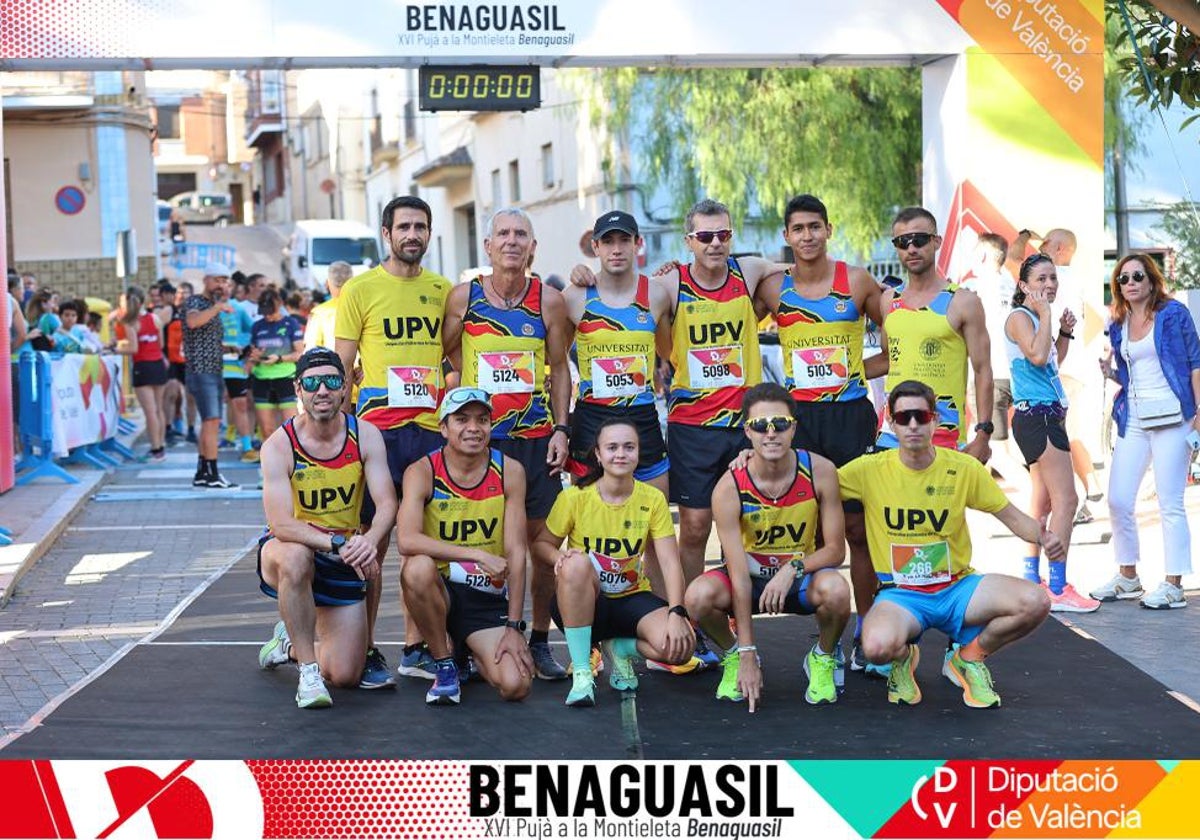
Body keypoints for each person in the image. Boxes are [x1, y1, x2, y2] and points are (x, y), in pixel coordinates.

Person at [568, 199, 785, 673]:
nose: (714, 243)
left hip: (742, 425)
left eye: (722, 235)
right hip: (690, 426)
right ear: (688, 242)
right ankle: (665, 626)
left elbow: (794, 265)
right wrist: (580, 273)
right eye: (704, 236)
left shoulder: (749, 273)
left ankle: (708, 620)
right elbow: (610, 291)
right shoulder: (668, 284)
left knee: (744, 528)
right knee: (690, 528)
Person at [840, 379, 1062, 709]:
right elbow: (813, 480)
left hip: (957, 588)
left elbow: (1012, 517)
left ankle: (969, 659)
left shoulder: (963, 469)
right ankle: (903, 658)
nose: (912, 425)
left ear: (935, 420)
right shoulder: (868, 470)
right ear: (890, 422)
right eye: (903, 418)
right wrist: (751, 459)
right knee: (874, 648)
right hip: (901, 594)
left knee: (1035, 601)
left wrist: (1044, 537)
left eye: (921, 416)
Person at [755, 194, 885, 677]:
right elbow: (729, 328)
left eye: (815, 227)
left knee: (857, 530)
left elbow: (900, 342)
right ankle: (822, 635)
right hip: (799, 420)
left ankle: (868, 629)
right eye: (798, 229)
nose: (807, 236)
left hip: (850, 416)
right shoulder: (773, 288)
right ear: (786, 236)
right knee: (807, 527)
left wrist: (853, 370)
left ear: (829, 229)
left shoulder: (857, 281)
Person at [860, 207, 994, 675]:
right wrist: (840, 372)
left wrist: (985, 431)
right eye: (901, 242)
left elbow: (983, 369)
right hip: (890, 433)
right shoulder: (888, 302)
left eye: (919, 239)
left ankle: (956, 638)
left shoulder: (963, 302)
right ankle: (898, 631)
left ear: (936, 242)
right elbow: (886, 359)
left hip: (945, 434)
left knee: (942, 527)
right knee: (886, 528)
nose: (910, 248)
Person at [442, 208, 573, 681]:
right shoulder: (465, 298)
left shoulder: (549, 301)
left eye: (521, 235)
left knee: (539, 541)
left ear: (533, 247)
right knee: (479, 538)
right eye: (504, 234)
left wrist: (561, 428)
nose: (512, 242)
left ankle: (537, 638)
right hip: (483, 442)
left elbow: (559, 368)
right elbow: (448, 353)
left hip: (536, 439)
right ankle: (462, 639)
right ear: (488, 245)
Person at [335, 195, 452, 686]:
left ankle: (413, 648)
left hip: (428, 434)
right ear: (386, 234)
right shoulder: (360, 290)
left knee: (420, 549)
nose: (412, 235)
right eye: (403, 226)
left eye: (420, 227)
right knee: (371, 548)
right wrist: (342, 431)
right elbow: (341, 366)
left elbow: (450, 350)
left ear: (429, 233)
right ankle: (364, 651)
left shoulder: (444, 290)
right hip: (377, 434)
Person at [684, 382, 850, 709]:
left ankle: (823, 656)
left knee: (838, 591)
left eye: (780, 425)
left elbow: (835, 550)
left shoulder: (821, 471)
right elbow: (738, 575)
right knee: (697, 596)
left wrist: (793, 568)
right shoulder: (729, 487)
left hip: (798, 579)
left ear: (794, 428)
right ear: (747, 431)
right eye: (761, 426)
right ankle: (732, 655)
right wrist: (747, 653)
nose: (770, 433)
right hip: (751, 580)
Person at [256, 347, 397, 708]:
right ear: (298, 389)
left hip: (342, 554)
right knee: (296, 557)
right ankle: (307, 673)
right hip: (290, 548)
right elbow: (281, 523)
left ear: (346, 387)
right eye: (312, 383)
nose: (322, 390)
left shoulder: (365, 435)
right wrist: (335, 542)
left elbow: (386, 503)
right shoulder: (279, 445)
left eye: (332, 381)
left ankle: (288, 641)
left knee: (347, 674)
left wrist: (369, 540)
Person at [532, 417, 694, 707]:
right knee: (577, 563)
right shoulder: (575, 498)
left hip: (631, 598)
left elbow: (670, 562)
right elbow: (541, 546)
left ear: (638, 452)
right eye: (612, 447)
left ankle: (620, 648)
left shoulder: (653, 499)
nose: (621, 454)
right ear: (598, 454)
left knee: (681, 648)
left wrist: (677, 611)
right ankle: (582, 671)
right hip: (584, 601)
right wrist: (560, 558)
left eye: (629, 447)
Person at [395, 386, 535, 705]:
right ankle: (445, 666)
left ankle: (466, 654)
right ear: (443, 428)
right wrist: (474, 553)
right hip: (440, 591)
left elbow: (516, 551)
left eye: (482, 420)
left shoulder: (510, 471)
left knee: (516, 686)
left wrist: (514, 626)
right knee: (416, 567)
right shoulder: (422, 471)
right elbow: (406, 540)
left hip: (484, 598)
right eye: (461, 419)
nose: (473, 428)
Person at [1093, 255, 1200, 610]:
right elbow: (1130, 373)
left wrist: (1199, 414)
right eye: (1123, 278)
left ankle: (1174, 584)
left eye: (1138, 275)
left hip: (1173, 415)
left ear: (1152, 280)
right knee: (1119, 498)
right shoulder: (1118, 322)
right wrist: (1109, 372)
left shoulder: (1173, 314)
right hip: (1134, 417)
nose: (1131, 282)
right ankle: (1128, 577)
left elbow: (1196, 362)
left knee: (1170, 503)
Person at [1004, 255, 1098, 612]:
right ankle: (1058, 587)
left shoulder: (1034, 317)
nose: (1050, 285)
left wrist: (1064, 332)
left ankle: (1033, 578)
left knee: (1041, 502)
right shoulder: (1019, 317)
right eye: (1041, 278)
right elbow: (1038, 356)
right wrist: (1045, 316)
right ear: (1024, 285)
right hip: (1038, 417)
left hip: (1045, 415)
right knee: (1067, 500)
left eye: (1053, 278)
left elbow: (1052, 358)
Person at [183, 262, 238, 488]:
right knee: (212, 421)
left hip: (214, 370)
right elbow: (193, 321)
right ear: (206, 280)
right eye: (217, 280)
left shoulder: (211, 306)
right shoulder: (196, 302)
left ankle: (203, 471)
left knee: (210, 422)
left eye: (225, 281)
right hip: (201, 370)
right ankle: (212, 473)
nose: (221, 285)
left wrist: (230, 349)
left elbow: (204, 338)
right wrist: (218, 307)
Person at [114, 287, 169, 462]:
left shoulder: (130, 322)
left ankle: (155, 449)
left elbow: (133, 348)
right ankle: (160, 447)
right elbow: (160, 344)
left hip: (143, 366)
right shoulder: (155, 318)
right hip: (158, 364)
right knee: (159, 409)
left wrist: (116, 348)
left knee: (150, 411)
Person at [249, 286, 305, 445]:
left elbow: (300, 353)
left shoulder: (291, 323)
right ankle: (270, 464)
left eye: (271, 312)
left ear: (279, 304)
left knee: (291, 428)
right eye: (264, 312)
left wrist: (280, 358)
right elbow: (252, 354)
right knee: (267, 429)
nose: (268, 316)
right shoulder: (257, 326)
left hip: (285, 379)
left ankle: (293, 460)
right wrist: (255, 356)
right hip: (262, 380)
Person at [218, 278, 258, 462]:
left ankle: (247, 447)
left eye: (228, 285)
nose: (224, 289)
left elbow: (253, 332)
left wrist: (241, 349)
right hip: (211, 367)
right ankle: (209, 453)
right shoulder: (206, 309)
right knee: (212, 411)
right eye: (220, 285)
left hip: (234, 366)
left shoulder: (237, 308)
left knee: (240, 404)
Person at [304, 261, 353, 351]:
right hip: (364, 364)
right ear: (352, 281)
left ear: (327, 283)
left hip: (333, 363)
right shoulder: (366, 307)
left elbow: (311, 348)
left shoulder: (319, 313)